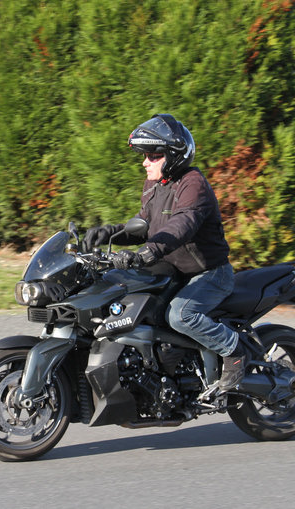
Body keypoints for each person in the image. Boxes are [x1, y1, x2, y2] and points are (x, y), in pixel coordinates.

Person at [83, 113, 246, 390]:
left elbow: (183, 224)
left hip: (208, 273)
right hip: (172, 271)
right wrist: (107, 233)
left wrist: (147, 253)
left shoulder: (193, 184)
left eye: (153, 155)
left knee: (179, 315)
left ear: (174, 156)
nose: (145, 162)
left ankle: (234, 350)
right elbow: (143, 225)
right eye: (144, 155)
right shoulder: (154, 185)